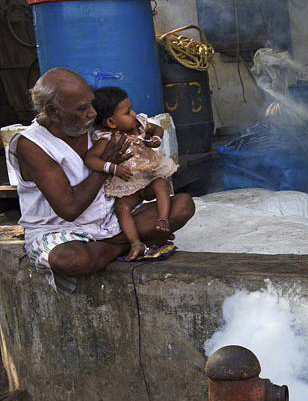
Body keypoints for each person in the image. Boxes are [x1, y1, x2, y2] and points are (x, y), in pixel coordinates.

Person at [5, 67, 195, 289]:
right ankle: (124, 245)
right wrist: (105, 166)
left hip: (110, 220)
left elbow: (140, 125)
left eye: (92, 104)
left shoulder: (90, 124)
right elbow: (69, 208)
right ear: (53, 112)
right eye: (82, 108)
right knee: (71, 260)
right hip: (60, 231)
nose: (93, 113)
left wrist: (148, 141)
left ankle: (117, 244)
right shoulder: (31, 145)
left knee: (182, 205)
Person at [88, 86, 179, 262]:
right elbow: (91, 159)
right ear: (112, 123)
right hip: (128, 184)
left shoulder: (139, 124)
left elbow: (157, 129)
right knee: (122, 208)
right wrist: (112, 168)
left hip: (149, 175)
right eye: (127, 112)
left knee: (161, 183)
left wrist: (156, 139)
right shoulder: (107, 138)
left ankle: (163, 220)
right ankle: (135, 242)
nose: (134, 113)